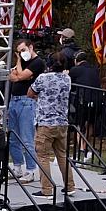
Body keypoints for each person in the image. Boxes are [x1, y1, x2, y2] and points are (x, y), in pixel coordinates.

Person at [28, 52, 74, 202]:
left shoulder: (43, 78)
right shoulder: (67, 79)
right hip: (62, 123)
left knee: (43, 156)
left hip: (45, 123)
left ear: (49, 64)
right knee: (62, 155)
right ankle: (70, 186)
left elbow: (30, 93)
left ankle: (47, 189)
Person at [6, 36, 45, 183]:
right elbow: (12, 76)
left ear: (31, 47)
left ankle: (30, 170)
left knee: (27, 138)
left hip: (27, 102)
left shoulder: (37, 62)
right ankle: (17, 166)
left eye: (23, 50)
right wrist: (18, 63)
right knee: (13, 136)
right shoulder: (22, 61)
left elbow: (20, 76)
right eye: (18, 52)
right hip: (14, 100)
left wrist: (18, 70)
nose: (21, 53)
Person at [68, 48, 102, 135]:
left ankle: (82, 148)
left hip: (83, 100)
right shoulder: (94, 69)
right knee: (90, 123)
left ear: (76, 60)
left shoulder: (75, 70)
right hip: (97, 100)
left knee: (80, 125)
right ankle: (86, 145)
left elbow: (69, 85)